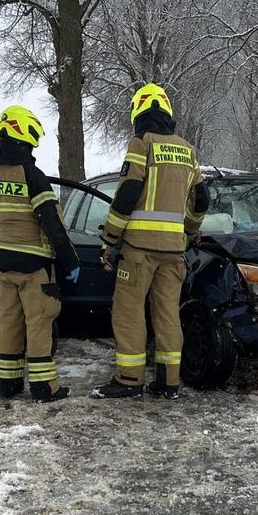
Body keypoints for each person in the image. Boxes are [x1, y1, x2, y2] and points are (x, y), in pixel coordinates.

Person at [92, 83, 209, 399]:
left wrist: (110, 239)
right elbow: (202, 199)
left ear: (138, 113)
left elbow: (128, 192)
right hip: (173, 253)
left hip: (139, 250)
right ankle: (168, 381)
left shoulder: (142, 143)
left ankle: (129, 380)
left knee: (128, 312)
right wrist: (189, 231)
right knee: (167, 313)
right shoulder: (187, 150)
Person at [0, 105, 80, 403]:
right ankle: (45, 388)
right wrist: (70, 260)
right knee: (39, 323)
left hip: (3, 264)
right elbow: (52, 223)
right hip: (34, 266)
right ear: (25, 134)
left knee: (8, 322)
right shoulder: (31, 175)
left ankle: (7, 385)